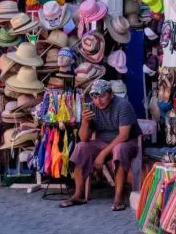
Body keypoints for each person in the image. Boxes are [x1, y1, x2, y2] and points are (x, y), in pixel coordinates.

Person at [60, 79, 140, 210]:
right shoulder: (92, 107)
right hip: (102, 142)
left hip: (125, 142)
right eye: (95, 97)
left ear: (111, 94)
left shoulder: (123, 105)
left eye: (102, 96)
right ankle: (78, 195)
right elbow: (83, 138)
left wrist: (103, 154)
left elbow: (124, 136)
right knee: (81, 147)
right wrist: (85, 122)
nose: (99, 101)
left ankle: (118, 198)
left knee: (120, 149)